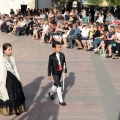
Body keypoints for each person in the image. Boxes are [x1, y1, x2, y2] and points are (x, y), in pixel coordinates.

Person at [0, 43, 25, 116]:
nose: (11, 51)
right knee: (9, 95)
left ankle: (17, 108)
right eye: (9, 50)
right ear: (4, 50)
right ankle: (12, 109)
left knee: (17, 93)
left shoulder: (12, 58)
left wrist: (18, 78)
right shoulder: (1, 60)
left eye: (11, 49)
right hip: (6, 80)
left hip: (14, 79)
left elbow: (15, 68)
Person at [48, 41, 67, 106]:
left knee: (56, 84)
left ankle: (50, 92)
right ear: (54, 48)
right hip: (54, 72)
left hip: (60, 71)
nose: (59, 49)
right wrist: (49, 74)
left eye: (60, 47)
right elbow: (49, 66)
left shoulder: (62, 55)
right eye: (58, 47)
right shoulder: (51, 56)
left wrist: (65, 71)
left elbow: (64, 64)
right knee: (59, 85)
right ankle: (61, 100)